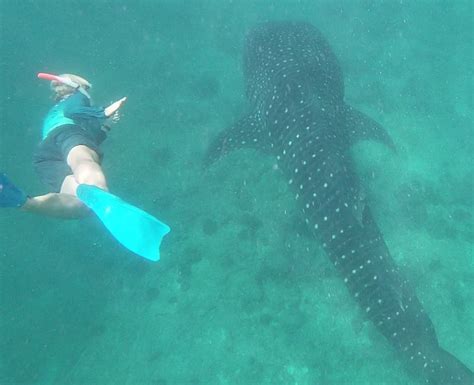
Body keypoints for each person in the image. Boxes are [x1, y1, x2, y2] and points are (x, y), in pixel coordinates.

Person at [1, 73, 126, 218]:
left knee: (83, 204)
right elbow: (72, 113)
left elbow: (87, 139)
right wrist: (103, 112)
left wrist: (105, 128)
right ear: (78, 86)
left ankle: (23, 202)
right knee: (83, 160)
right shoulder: (79, 96)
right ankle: (102, 196)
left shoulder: (54, 110)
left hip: (44, 156)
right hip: (66, 133)